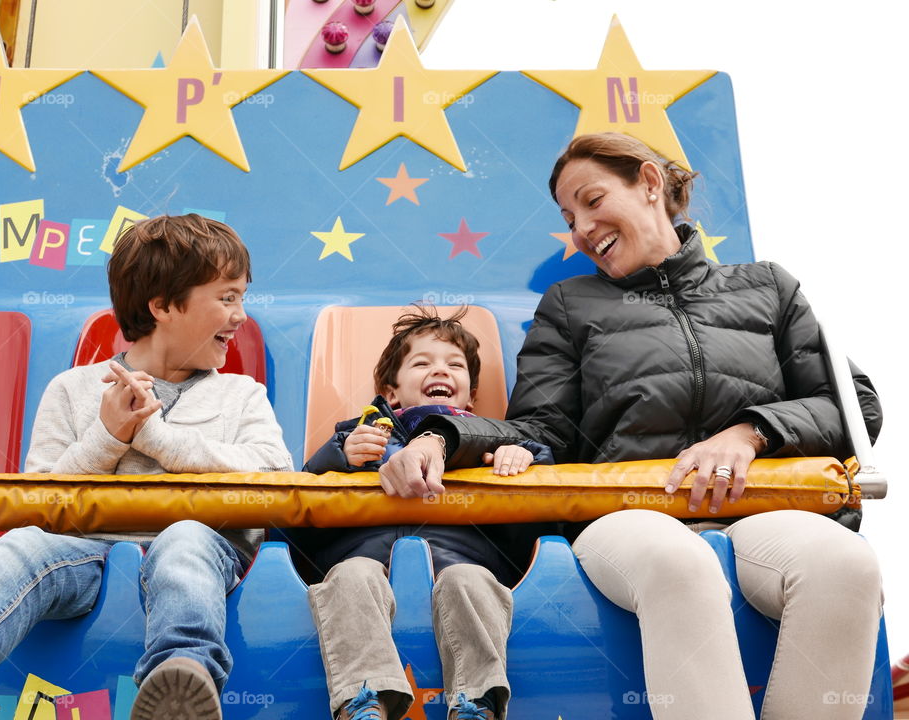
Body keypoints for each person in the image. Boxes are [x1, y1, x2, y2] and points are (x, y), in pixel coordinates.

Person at [378, 133, 885, 720]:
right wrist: (442, 436)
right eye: (569, 217)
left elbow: (854, 407)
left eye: (592, 201)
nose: (582, 227)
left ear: (649, 184)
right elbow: (539, 430)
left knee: (847, 565)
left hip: (763, 509)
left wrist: (749, 433)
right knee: (680, 564)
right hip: (627, 516)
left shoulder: (768, 288)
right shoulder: (569, 307)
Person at [0, 214, 293, 720]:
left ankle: (182, 680)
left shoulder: (241, 394)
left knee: (184, 541)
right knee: (21, 547)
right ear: (162, 306)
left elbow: (273, 472)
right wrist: (107, 437)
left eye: (241, 297)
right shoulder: (73, 390)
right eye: (227, 297)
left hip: (205, 546)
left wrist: (159, 440)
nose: (240, 314)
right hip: (86, 553)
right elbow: (38, 504)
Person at [297, 305, 552, 720]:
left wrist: (519, 456)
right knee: (350, 577)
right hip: (364, 558)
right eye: (422, 362)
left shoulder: (486, 439)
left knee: (469, 581)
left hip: (465, 559)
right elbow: (303, 504)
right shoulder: (359, 435)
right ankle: (364, 702)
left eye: (455, 364)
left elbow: (542, 501)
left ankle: (477, 702)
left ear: (471, 396)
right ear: (391, 391)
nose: (441, 370)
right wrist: (339, 456)